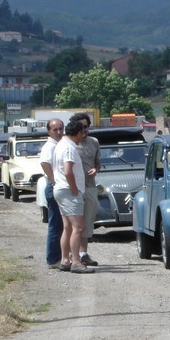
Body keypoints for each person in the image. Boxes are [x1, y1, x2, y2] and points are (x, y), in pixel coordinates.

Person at [53, 119, 94, 274]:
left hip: (61, 190)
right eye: (82, 132)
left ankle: (65, 260)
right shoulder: (69, 148)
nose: (83, 136)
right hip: (69, 191)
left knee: (68, 227)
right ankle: (76, 261)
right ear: (78, 133)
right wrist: (74, 188)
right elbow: (68, 171)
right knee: (78, 227)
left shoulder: (60, 145)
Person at [74, 112, 100, 267]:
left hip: (90, 186)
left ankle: (84, 253)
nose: (85, 129)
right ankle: (73, 254)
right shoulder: (69, 143)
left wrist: (96, 169)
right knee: (74, 223)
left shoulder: (94, 142)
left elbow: (98, 163)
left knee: (87, 222)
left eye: (87, 126)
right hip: (74, 188)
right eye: (82, 126)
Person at [39, 119, 65, 269]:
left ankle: (61, 256)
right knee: (55, 224)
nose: (59, 132)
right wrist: (54, 180)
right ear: (49, 131)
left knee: (62, 224)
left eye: (61, 129)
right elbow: (44, 163)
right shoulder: (49, 146)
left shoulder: (60, 144)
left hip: (58, 185)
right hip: (53, 186)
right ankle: (53, 258)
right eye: (55, 129)